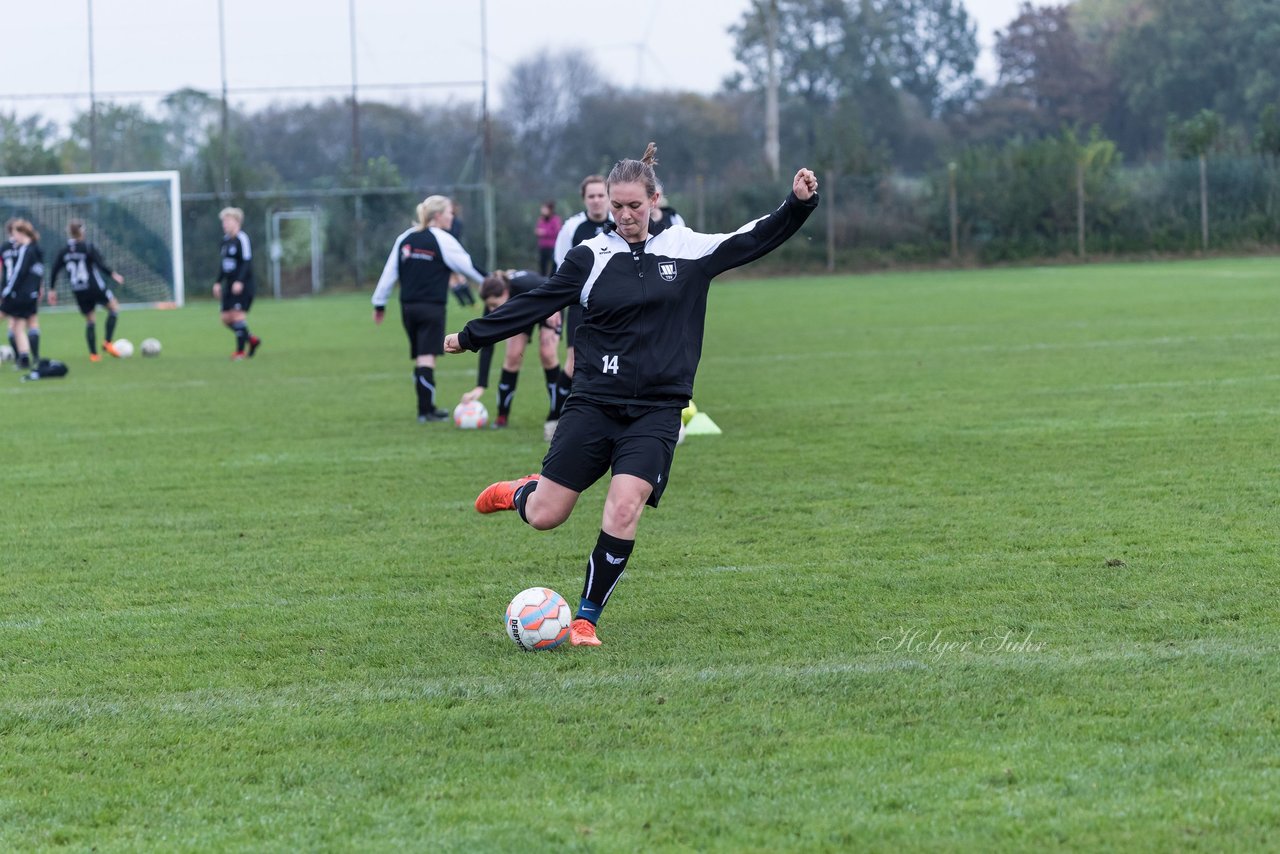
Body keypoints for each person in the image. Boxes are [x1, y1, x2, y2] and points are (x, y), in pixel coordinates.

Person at [444, 144, 819, 646]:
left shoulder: (687, 249)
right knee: (545, 516)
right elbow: (536, 302)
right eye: (616, 207)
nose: (623, 216)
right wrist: (471, 336)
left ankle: (584, 619)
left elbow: (752, 238)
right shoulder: (590, 257)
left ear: (654, 199)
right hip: (594, 404)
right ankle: (520, 492)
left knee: (624, 506)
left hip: (657, 411)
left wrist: (796, 205)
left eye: (633, 206)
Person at [373, 194, 486, 422]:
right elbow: (467, 265)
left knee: (420, 356)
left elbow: (389, 273)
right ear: (438, 215)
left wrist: (379, 303)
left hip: (408, 308)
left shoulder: (405, 238)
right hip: (431, 307)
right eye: (449, 212)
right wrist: (492, 281)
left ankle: (425, 408)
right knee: (427, 357)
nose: (452, 216)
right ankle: (426, 411)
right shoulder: (442, 239)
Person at [547, 174, 611, 440]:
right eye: (591, 196)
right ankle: (554, 417)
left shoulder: (620, 222)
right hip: (580, 305)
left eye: (601, 195)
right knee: (574, 364)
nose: (596, 201)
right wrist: (553, 308)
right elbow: (560, 270)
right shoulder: (572, 227)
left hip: (613, 306)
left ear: (608, 198)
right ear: (584, 199)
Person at [459, 270, 564, 429]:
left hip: (549, 303)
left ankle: (557, 415)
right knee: (513, 356)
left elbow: (557, 285)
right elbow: (486, 343)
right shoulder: (492, 302)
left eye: (495, 305)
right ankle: (502, 416)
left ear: (506, 292)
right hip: (521, 311)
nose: (492, 310)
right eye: (489, 306)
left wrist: (555, 307)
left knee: (547, 353)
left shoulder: (527, 284)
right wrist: (481, 385)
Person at [47, 219, 126, 361]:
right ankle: (107, 342)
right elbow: (100, 264)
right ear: (82, 232)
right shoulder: (87, 247)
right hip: (94, 286)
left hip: (78, 289)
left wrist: (52, 289)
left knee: (90, 320)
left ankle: (94, 355)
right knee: (113, 308)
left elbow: (55, 269)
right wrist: (114, 275)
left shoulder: (64, 251)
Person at [212, 207, 262, 360]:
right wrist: (218, 282)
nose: (224, 224)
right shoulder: (225, 241)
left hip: (243, 284)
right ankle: (252, 340)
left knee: (237, 316)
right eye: (223, 221)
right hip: (229, 285)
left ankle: (240, 352)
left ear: (236, 222)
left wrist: (240, 281)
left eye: (227, 221)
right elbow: (224, 264)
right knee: (226, 318)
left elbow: (247, 262)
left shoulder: (242, 239)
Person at [1, 219, 46, 371]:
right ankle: (26, 358)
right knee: (19, 326)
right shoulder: (37, 249)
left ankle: (25, 358)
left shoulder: (25, 250)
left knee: (16, 325)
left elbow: (18, 272)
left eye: (15, 234)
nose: (14, 238)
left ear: (20, 233)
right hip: (31, 295)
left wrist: (7, 291)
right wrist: (39, 288)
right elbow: (38, 273)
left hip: (17, 294)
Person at [447, 201, 477, 307]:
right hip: (448, 253)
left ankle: (471, 301)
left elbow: (455, 236)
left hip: (454, 253)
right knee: (453, 279)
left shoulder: (456, 223)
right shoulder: (447, 223)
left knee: (459, 278)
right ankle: (464, 302)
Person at [534, 201, 561, 277]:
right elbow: (538, 229)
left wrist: (544, 232)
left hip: (552, 247)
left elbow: (557, 231)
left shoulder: (555, 219)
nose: (542, 210)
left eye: (544, 209)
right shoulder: (541, 219)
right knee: (542, 266)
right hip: (543, 247)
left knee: (554, 266)